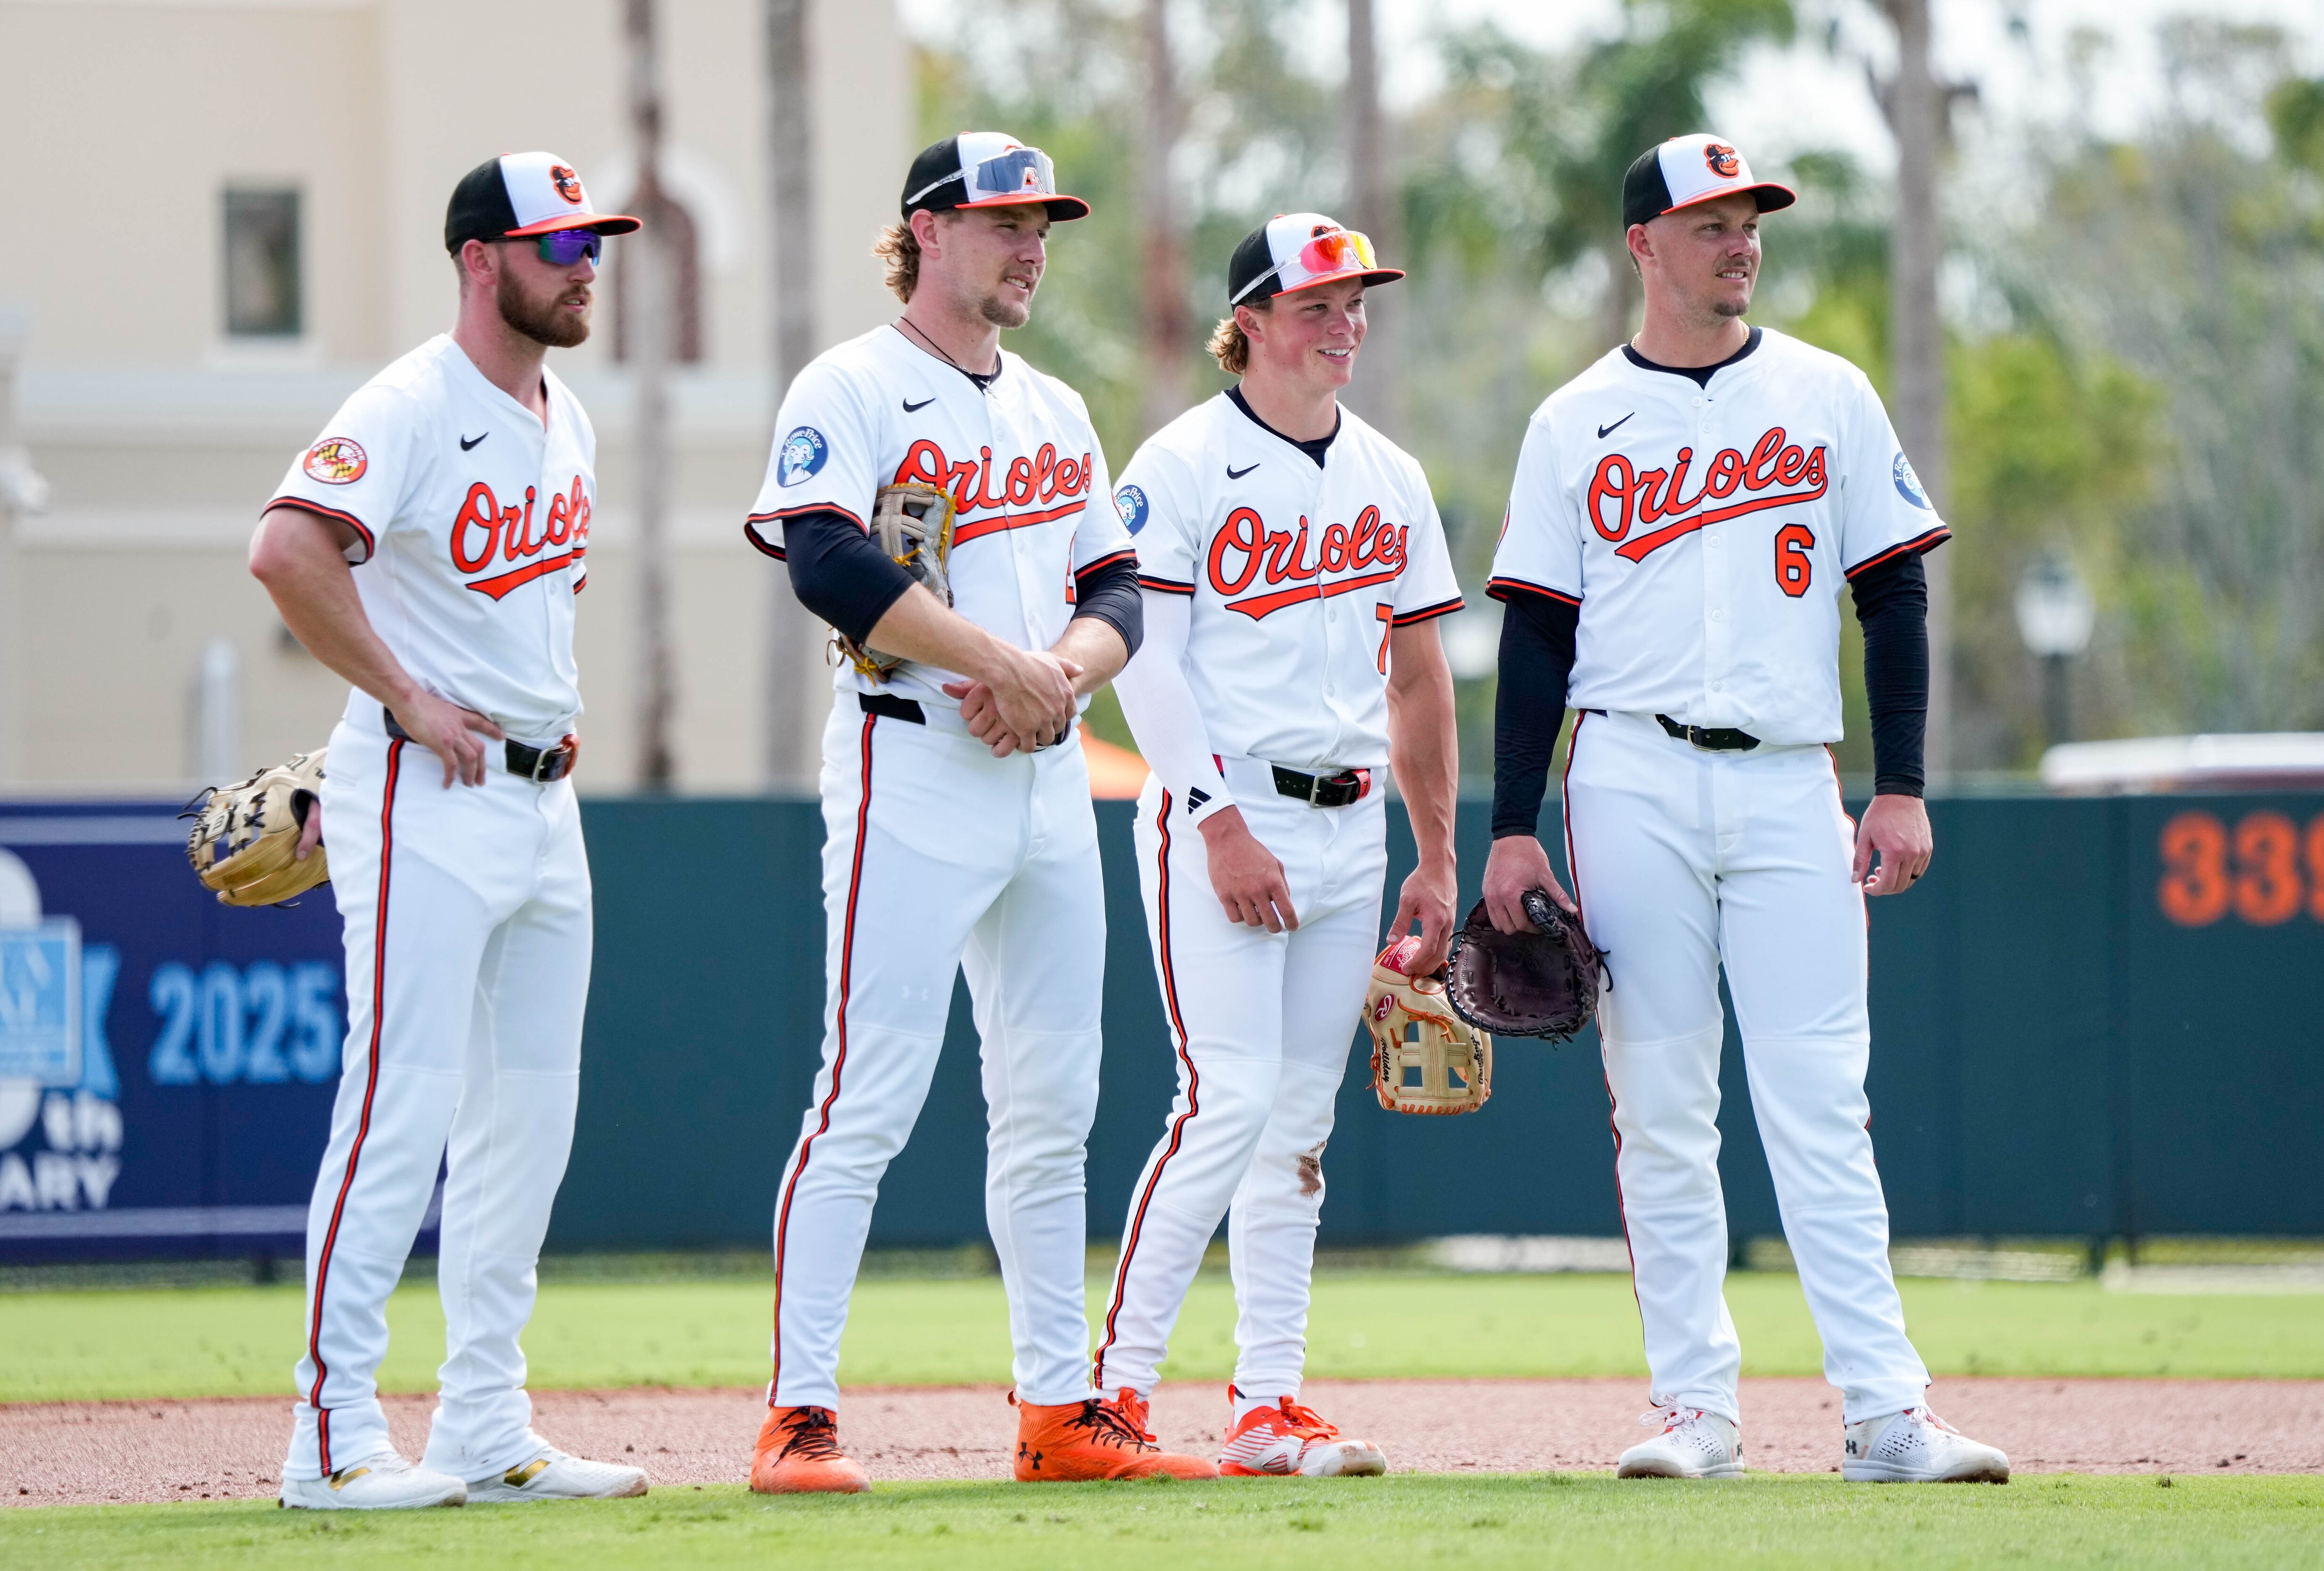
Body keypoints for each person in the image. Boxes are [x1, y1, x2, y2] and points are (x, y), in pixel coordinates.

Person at [1481, 134, 2010, 1484]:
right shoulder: (1576, 419)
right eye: (1711, 220)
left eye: (1751, 216)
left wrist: (1900, 785)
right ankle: (1696, 1414)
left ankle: (1887, 1415)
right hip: (1631, 772)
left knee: (1822, 1099)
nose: (1741, 239)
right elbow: (1538, 634)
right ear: (1644, 245)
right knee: (1659, 1101)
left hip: (1790, 777)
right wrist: (1511, 824)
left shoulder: (1827, 393)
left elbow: (1892, 594)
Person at [740, 133, 1203, 1490]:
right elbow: (821, 557)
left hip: (1048, 776)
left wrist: (1054, 675)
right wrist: (996, 664)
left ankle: (1060, 1414)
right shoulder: (854, 382)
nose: (1033, 243)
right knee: (867, 1095)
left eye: (1045, 221)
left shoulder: (1056, 407)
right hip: (910, 763)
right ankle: (797, 1415)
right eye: (1006, 220)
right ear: (926, 230)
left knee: (1054, 1103)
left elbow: (1119, 590)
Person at [248, 152, 649, 1509]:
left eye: (593, 242)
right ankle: (328, 1435)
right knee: (398, 1101)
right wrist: (398, 704)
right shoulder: (412, 402)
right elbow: (288, 546)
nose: (585, 264)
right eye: (558, 245)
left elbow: (495, 612)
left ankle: (484, 1421)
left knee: (529, 1117)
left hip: (543, 796)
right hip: (431, 788)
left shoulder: (567, 416)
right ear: (482, 260)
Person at [1093, 214, 1464, 1477]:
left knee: (1298, 1122)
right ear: (1246, 319)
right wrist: (1219, 823)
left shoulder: (1390, 477)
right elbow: (1147, 661)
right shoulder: (1184, 463)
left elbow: (1421, 679)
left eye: (1356, 304)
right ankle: (1114, 1394)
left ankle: (1268, 1402)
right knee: (1227, 1103)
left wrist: (1436, 855)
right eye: (1317, 305)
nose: (1344, 324)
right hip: (1228, 808)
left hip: (1354, 821)